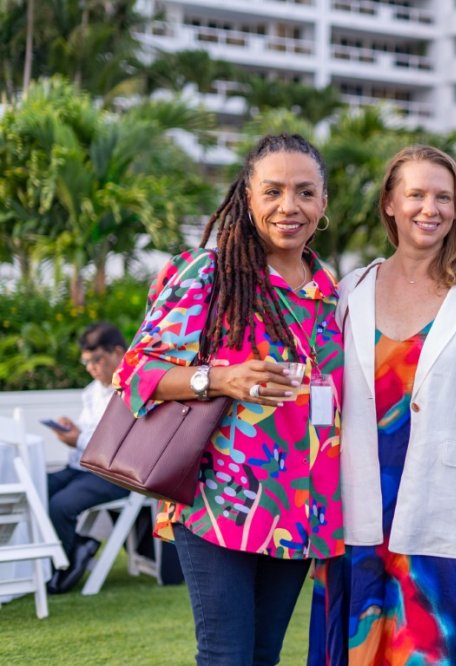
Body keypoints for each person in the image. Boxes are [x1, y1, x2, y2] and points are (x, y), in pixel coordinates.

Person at [114, 133, 344, 665]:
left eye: (305, 192)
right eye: (273, 191)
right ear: (247, 196)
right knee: (226, 655)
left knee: (263, 656)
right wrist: (220, 379)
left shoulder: (332, 294)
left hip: (300, 505)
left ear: (323, 202)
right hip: (217, 498)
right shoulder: (208, 273)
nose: (289, 206)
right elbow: (135, 372)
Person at [308, 145, 456, 665]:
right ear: (390, 203)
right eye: (416, 195)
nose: (430, 209)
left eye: (443, 198)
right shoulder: (348, 292)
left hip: (449, 518)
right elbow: (322, 402)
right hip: (359, 521)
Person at [45, 322, 130, 594]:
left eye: (96, 360)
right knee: (38, 487)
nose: (91, 368)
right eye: (86, 362)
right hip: (83, 466)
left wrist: (77, 438)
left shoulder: (131, 387)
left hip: (115, 473)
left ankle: (62, 567)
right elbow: (90, 431)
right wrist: (72, 430)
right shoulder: (92, 391)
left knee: (60, 505)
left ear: (118, 352)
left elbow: (117, 442)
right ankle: (75, 548)